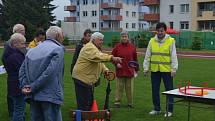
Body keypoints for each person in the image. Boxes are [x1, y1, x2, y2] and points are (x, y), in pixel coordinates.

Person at [19, 26, 65, 121]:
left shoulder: (32, 50)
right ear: (58, 35)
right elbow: (50, 73)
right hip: (50, 96)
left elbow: (22, 70)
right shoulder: (58, 49)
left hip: (33, 95)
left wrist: (25, 86)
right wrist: (32, 87)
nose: (63, 37)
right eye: (62, 34)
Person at [72, 32, 122, 111]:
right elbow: (98, 57)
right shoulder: (89, 48)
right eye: (100, 40)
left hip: (86, 79)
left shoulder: (94, 48)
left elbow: (99, 62)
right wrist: (112, 58)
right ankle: (82, 117)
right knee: (85, 104)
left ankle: (85, 116)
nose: (102, 42)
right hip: (82, 79)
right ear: (94, 40)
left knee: (88, 102)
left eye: (102, 40)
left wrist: (106, 70)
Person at [143, 22, 178, 117]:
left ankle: (169, 110)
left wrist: (174, 69)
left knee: (169, 90)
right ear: (156, 31)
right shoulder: (152, 41)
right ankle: (156, 109)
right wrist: (146, 68)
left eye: (161, 31)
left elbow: (173, 56)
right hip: (155, 70)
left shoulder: (171, 41)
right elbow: (147, 55)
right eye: (158, 31)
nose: (159, 32)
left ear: (165, 31)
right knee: (155, 90)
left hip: (167, 70)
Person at [2, 33, 26, 121]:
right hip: (17, 84)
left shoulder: (9, 53)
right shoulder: (15, 56)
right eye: (22, 44)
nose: (24, 46)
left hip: (13, 83)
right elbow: (22, 70)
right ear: (15, 44)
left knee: (18, 108)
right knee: (19, 110)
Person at [112, 31, 138, 108]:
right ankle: (117, 102)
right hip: (120, 71)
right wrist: (116, 64)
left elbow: (135, 59)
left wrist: (136, 70)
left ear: (128, 37)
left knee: (129, 88)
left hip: (129, 71)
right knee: (119, 87)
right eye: (122, 36)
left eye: (125, 36)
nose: (124, 38)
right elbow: (112, 57)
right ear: (121, 37)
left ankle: (130, 103)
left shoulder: (132, 47)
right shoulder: (117, 47)